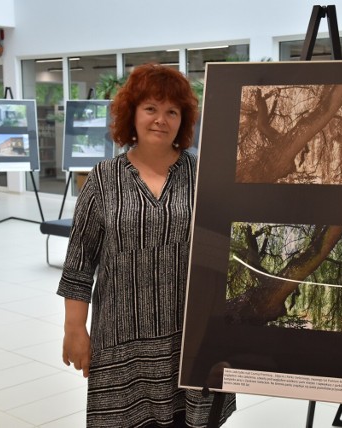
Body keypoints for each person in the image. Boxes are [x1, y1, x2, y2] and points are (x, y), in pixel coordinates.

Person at [57, 63, 236, 427]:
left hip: (192, 338)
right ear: (133, 113)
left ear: (184, 120)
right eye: (151, 108)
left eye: (172, 111)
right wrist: (75, 329)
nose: (161, 119)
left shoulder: (204, 176)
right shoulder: (103, 179)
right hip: (124, 343)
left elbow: (226, 255)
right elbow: (79, 263)